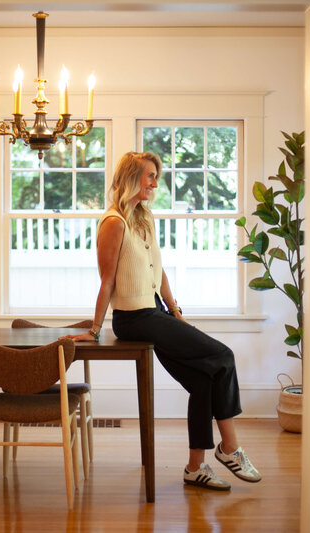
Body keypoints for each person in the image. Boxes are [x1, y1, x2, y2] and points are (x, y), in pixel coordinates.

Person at [60, 151, 261, 491]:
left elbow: (158, 267)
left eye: (156, 175)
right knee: (223, 357)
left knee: (203, 381)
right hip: (133, 319)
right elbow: (107, 280)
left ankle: (195, 468)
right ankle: (230, 448)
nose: (155, 182)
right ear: (130, 178)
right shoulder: (113, 223)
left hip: (155, 312)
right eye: (149, 175)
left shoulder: (143, 217)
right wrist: (95, 329)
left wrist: (174, 307)